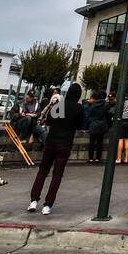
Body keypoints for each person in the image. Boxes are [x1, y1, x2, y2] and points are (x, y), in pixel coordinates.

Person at [28, 83, 83, 215]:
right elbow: (81, 125)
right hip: (65, 143)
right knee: (57, 175)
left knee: (42, 171)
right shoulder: (78, 108)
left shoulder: (59, 105)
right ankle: (48, 204)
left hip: (51, 141)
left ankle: (34, 200)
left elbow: (48, 121)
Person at [86, 90, 110, 163]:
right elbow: (108, 115)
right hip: (102, 125)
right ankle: (97, 158)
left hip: (93, 124)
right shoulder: (106, 105)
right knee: (100, 142)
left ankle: (90, 158)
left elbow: (89, 114)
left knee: (92, 143)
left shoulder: (92, 104)